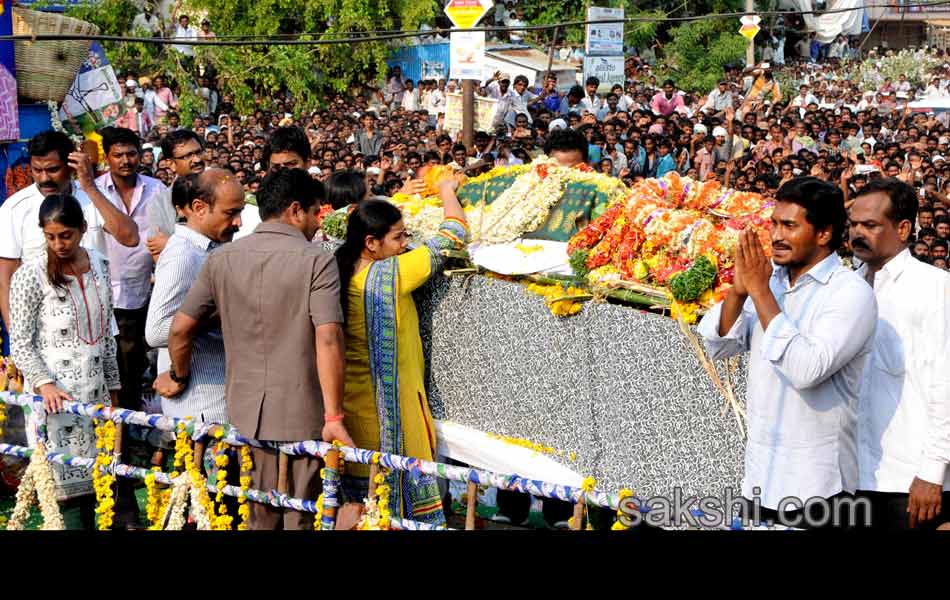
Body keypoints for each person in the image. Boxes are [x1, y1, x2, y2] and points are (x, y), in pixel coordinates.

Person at [166, 168, 350, 530]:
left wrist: (178, 374)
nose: (317, 224)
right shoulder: (317, 260)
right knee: (300, 517)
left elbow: (179, 329)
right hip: (302, 415)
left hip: (244, 412)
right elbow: (328, 338)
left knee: (259, 513)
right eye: (315, 213)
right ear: (296, 210)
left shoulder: (222, 259)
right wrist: (334, 418)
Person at [697, 177, 877, 529]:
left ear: (824, 234)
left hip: (818, 485)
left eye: (790, 226)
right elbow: (720, 345)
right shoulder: (773, 280)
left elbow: (806, 370)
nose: (776, 236)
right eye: (774, 224)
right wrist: (738, 291)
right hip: (761, 476)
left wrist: (759, 291)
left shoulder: (850, 293)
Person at [334, 173, 469, 524]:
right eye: (398, 237)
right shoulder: (388, 274)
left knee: (361, 508)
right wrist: (445, 191)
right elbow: (453, 235)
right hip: (388, 418)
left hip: (357, 412)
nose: (405, 243)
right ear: (371, 243)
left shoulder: (346, 266)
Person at [9, 194, 121, 529]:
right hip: (55, 403)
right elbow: (20, 343)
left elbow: (106, 333)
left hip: (97, 396)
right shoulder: (30, 275)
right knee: (64, 496)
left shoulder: (100, 263)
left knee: (101, 490)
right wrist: (44, 383)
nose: (58, 244)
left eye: (66, 235)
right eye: (50, 236)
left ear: (83, 229)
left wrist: (114, 391)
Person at [848, 177, 950, 530]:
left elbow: (946, 382)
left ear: (903, 228)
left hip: (908, 480)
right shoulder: (845, 287)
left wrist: (933, 471)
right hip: (850, 477)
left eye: (871, 225)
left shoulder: (934, 287)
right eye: (854, 224)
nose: (857, 233)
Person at [0, 131, 138, 337]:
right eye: (37, 170)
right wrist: (19, 340)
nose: (44, 178)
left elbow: (130, 238)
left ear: (71, 164)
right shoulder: (15, 208)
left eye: (52, 170)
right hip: (44, 333)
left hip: (96, 328)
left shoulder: (92, 198)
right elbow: (6, 278)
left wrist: (90, 187)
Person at [149, 170, 244, 424]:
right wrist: (216, 314)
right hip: (200, 402)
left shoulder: (212, 248)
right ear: (199, 208)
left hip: (218, 392)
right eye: (230, 213)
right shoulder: (183, 255)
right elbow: (156, 331)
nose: (238, 223)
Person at [147, 129, 205, 259]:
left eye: (198, 152)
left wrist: (171, 243)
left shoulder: (221, 191)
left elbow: (224, 244)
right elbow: (158, 253)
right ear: (171, 164)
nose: (196, 159)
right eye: (188, 156)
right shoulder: (160, 203)